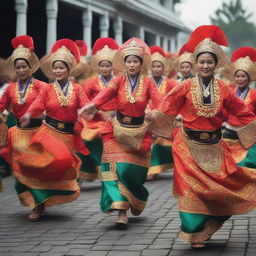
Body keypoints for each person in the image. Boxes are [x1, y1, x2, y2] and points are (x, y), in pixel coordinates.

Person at [149, 25, 256, 248]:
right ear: (196, 63)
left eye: (210, 62)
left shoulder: (224, 89)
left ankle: (213, 220)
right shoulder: (185, 86)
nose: (205, 65)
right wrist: (152, 117)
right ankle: (194, 232)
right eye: (202, 62)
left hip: (215, 146)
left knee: (222, 186)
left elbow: (242, 111)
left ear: (216, 64)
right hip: (186, 145)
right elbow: (167, 106)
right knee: (190, 189)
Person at [79, 37, 161, 227]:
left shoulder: (148, 83)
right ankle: (121, 211)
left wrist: (164, 114)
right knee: (113, 170)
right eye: (129, 61)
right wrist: (91, 106)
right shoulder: (118, 81)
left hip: (139, 133)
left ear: (141, 64)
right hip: (115, 132)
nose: (131, 65)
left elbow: (160, 101)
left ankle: (136, 197)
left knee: (132, 171)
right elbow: (103, 95)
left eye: (135, 61)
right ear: (124, 63)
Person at [18, 39, 90, 221]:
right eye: (55, 68)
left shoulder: (78, 88)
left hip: (68, 136)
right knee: (40, 166)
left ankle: (46, 200)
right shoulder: (48, 89)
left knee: (59, 165)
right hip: (47, 132)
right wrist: (28, 115)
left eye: (61, 68)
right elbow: (37, 105)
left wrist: (81, 119)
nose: (57, 71)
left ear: (68, 70)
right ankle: (37, 205)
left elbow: (86, 108)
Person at [0, 35, 46, 193]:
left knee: (37, 170)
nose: (21, 70)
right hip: (19, 135)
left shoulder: (42, 86)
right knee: (21, 175)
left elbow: (52, 107)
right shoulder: (10, 89)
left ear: (30, 67)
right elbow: (1, 106)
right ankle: (32, 201)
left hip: (39, 133)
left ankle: (38, 205)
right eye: (17, 67)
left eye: (23, 67)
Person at [78, 37, 119, 182]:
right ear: (98, 66)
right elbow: (83, 101)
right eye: (102, 66)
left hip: (115, 119)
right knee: (86, 139)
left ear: (112, 66)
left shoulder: (118, 81)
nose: (105, 68)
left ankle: (113, 173)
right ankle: (88, 171)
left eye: (108, 65)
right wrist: (94, 111)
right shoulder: (91, 83)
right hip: (95, 120)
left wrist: (115, 113)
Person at [223, 47, 256, 166]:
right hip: (230, 131)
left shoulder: (254, 94)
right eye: (238, 76)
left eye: (243, 76)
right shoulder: (229, 92)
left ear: (249, 78)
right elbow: (223, 110)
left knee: (248, 162)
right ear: (234, 77)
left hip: (248, 133)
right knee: (229, 161)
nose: (240, 79)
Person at [147, 46, 176, 180]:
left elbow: (176, 100)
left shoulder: (171, 83)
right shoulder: (145, 82)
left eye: (159, 66)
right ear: (150, 68)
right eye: (154, 66)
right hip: (148, 118)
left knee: (163, 142)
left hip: (166, 119)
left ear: (163, 68)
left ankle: (155, 168)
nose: (156, 69)